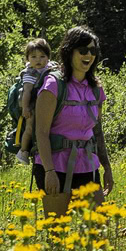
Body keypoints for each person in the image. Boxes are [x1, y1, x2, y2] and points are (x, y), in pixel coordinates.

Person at [30, 25, 113, 215]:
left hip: (87, 166)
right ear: (69, 51)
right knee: (57, 229)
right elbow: (41, 132)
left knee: (99, 229)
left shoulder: (96, 88)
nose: (88, 55)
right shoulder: (53, 85)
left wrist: (107, 167)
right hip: (55, 165)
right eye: (83, 50)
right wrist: (49, 172)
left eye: (93, 50)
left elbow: (97, 131)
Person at [11, 38, 52, 163]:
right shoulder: (30, 73)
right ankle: (23, 151)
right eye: (33, 57)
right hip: (31, 104)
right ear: (28, 58)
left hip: (44, 103)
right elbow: (27, 92)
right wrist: (25, 108)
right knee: (30, 128)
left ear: (48, 57)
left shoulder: (49, 68)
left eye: (42, 56)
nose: (38, 60)